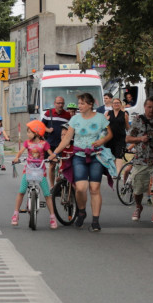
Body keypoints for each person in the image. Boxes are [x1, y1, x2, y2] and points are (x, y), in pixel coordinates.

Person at [50, 92, 115, 232]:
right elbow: (67, 139)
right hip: (79, 156)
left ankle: (96, 221)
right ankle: (81, 211)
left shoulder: (100, 118)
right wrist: (55, 152)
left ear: (90, 104)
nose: (79, 106)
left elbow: (109, 133)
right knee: (80, 188)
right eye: (79, 103)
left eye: (82, 103)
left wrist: (102, 140)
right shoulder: (75, 119)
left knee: (94, 189)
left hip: (96, 156)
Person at [11, 120, 59, 229]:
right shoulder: (27, 143)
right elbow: (20, 151)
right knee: (21, 192)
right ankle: (15, 214)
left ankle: (52, 217)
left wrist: (54, 159)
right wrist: (17, 157)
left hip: (40, 172)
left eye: (29, 132)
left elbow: (50, 154)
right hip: (28, 171)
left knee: (47, 194)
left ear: (37, 132)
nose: (27, 134)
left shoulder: (44, 144)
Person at [125, 97, 153, 222]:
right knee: (138, 188)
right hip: (141, 159)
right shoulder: (138, 120)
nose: (151, 110)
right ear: (144, 107)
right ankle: (138, 206)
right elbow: (128, 138)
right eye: (149, 107)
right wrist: (140, 139)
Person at [42, 96, 72, 186]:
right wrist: (48, 130)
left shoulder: (67, 115)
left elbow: (71, 128)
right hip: (51, 144)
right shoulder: (48, 113)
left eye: (62, 103)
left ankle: (62, 184)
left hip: (63, 144)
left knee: (63, 165)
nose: (60, 105)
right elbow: (41, 125)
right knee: (52, 165)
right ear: (54, 103)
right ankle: (52, 187)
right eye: (58, 103)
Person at [105, 97, 128, 175]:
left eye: (118, 103)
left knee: (119, 155)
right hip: (110, 138)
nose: (116, 104)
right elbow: (102, 126)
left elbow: (127, 127)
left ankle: (118, 173)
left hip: (120, 138)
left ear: (120, 104)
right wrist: (106, 120)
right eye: (114, 103)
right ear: (112, 105)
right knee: (112, 155)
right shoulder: (108, 113)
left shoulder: (124, 114)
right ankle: (113, 172)